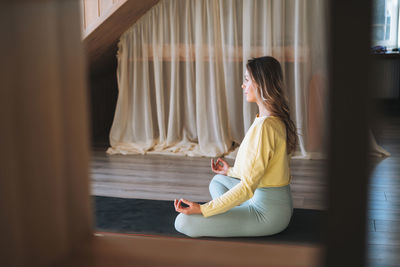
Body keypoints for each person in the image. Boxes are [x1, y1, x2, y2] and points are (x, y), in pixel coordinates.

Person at [173, 56, 298, 238]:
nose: (243, 85)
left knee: (183, 222)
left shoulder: (266, 127)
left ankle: (236, 212)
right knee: (217, 181)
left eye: (247, 79)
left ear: (261, 84)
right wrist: (230, 171)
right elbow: (262, 169)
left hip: (267, 214)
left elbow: (247, 187)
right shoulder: (270, 119)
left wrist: (203, 209)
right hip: (273, 199)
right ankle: (235, 211)